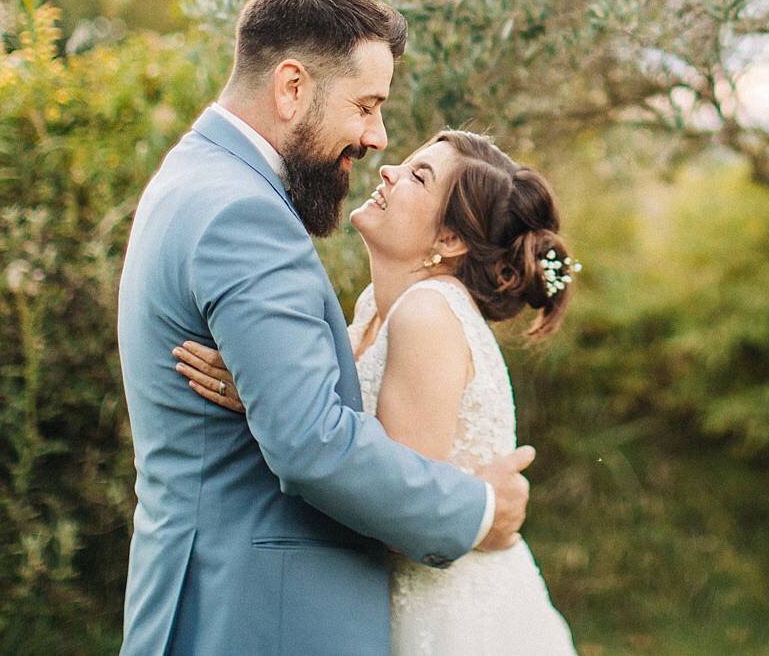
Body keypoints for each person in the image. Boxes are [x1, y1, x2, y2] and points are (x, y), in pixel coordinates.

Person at [115, 0, 535, 656]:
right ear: (291, 88)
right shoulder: (245, 213)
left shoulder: (192, 177)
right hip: (260, 618)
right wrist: (478, 506)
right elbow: (311, 443)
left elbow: (294, 414)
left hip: (208, 599)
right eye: (366, 104)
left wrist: (267, 397)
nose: (378, 138)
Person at [174, 128, 581, 655]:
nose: (388, 170)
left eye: (419, 176)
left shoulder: (427, 313)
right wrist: (268, 388)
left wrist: (480, 514)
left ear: (450, 240)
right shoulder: (377, 308)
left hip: (452, 619)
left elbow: (398, 517)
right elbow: (338, 425)